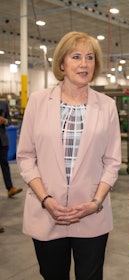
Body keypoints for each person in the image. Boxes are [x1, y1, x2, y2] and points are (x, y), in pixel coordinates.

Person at [16, 31, 121, 279]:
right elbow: (26, 157)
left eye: (89, 57)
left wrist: (95, 203)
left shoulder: (107, 106)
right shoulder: (38, 101)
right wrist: (46, 199)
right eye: (76, 56)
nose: (84, 64)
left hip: (91, 213)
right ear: (62, 63)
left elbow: (112, 161)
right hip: (46, 212)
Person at [0, 100, 22, 198]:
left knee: (5, 165)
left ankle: (10, 189)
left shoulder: (4, 104)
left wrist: (4, 121)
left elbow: (9, 121)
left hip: (2, 141)